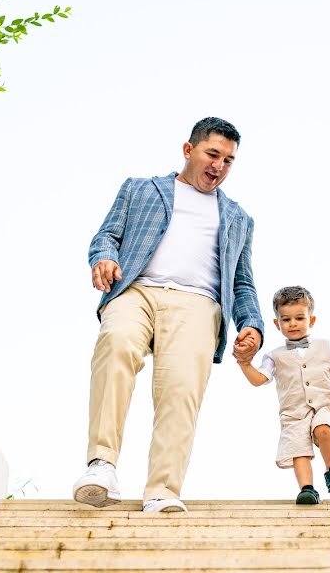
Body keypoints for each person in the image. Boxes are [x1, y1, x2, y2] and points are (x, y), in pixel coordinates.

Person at [72, 117, 265, 513]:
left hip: (198, 302)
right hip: (137, 288)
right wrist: (104, 257)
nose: (219, 166)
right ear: (188, 149)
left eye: (229, 160)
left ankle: (162, 490)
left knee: (181, 387)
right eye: (213, 154)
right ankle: (101, 465)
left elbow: (242, 281)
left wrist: (252, 324)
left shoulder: (238, 218)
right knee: (117, 342)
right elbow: (107, 236)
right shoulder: (141, 189)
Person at [235, 285, 330, 505]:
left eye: (299, 318)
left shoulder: (325, 346)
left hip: (324, 404)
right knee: (299, 450)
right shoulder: (274, 356)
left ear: (312, 320)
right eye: (286, 320)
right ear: (276, 324)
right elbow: (259, 379)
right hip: (293, 412)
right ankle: (307, 489)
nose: (293, 324)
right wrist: (244, 363)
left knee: (323, 429)